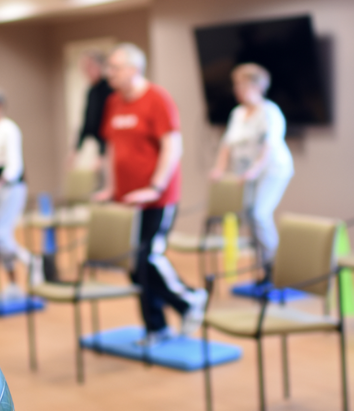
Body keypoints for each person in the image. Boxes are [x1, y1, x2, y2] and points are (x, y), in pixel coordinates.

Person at [94, 43, 208, 344]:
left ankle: (186, 302)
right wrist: (109, 187)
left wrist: (154, 186)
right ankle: (164, 321)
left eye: (115, 68)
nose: (109, 74)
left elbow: (173, 147)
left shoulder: (158, 99)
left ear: (134, 69)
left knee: (148, 258)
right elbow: (112, 148)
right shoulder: (114, 102)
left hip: (159, 197)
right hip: (127, 199)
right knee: (135, 265)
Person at [209, 63, 294, 283]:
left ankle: (276, 267)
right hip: (246, 173)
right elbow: (226, 144)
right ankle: (263, 269)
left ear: (258, 86)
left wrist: (254, 170)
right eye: (236, 84)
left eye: (241, 84)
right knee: (249, 217)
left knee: (259, 214)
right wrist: (219, 168)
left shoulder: (270, 112)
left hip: (273, 170)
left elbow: (270, 145)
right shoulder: (237, 113)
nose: (237, 89)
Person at [0, 87, 43, 299]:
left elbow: (14, 165)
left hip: (11, 187)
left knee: (0, 236)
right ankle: (13, 284)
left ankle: (31, 261)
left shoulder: (9, 129)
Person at [71, 50, 113, 167]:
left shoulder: (110, 90)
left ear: (100, 66)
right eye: (84, 67)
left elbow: (108, 123)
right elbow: (87, 122)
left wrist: (102, 153)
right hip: (100, 146)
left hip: (110, 147)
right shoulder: (91, 91)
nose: (86, 71)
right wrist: (75, 150)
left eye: (89, 66)